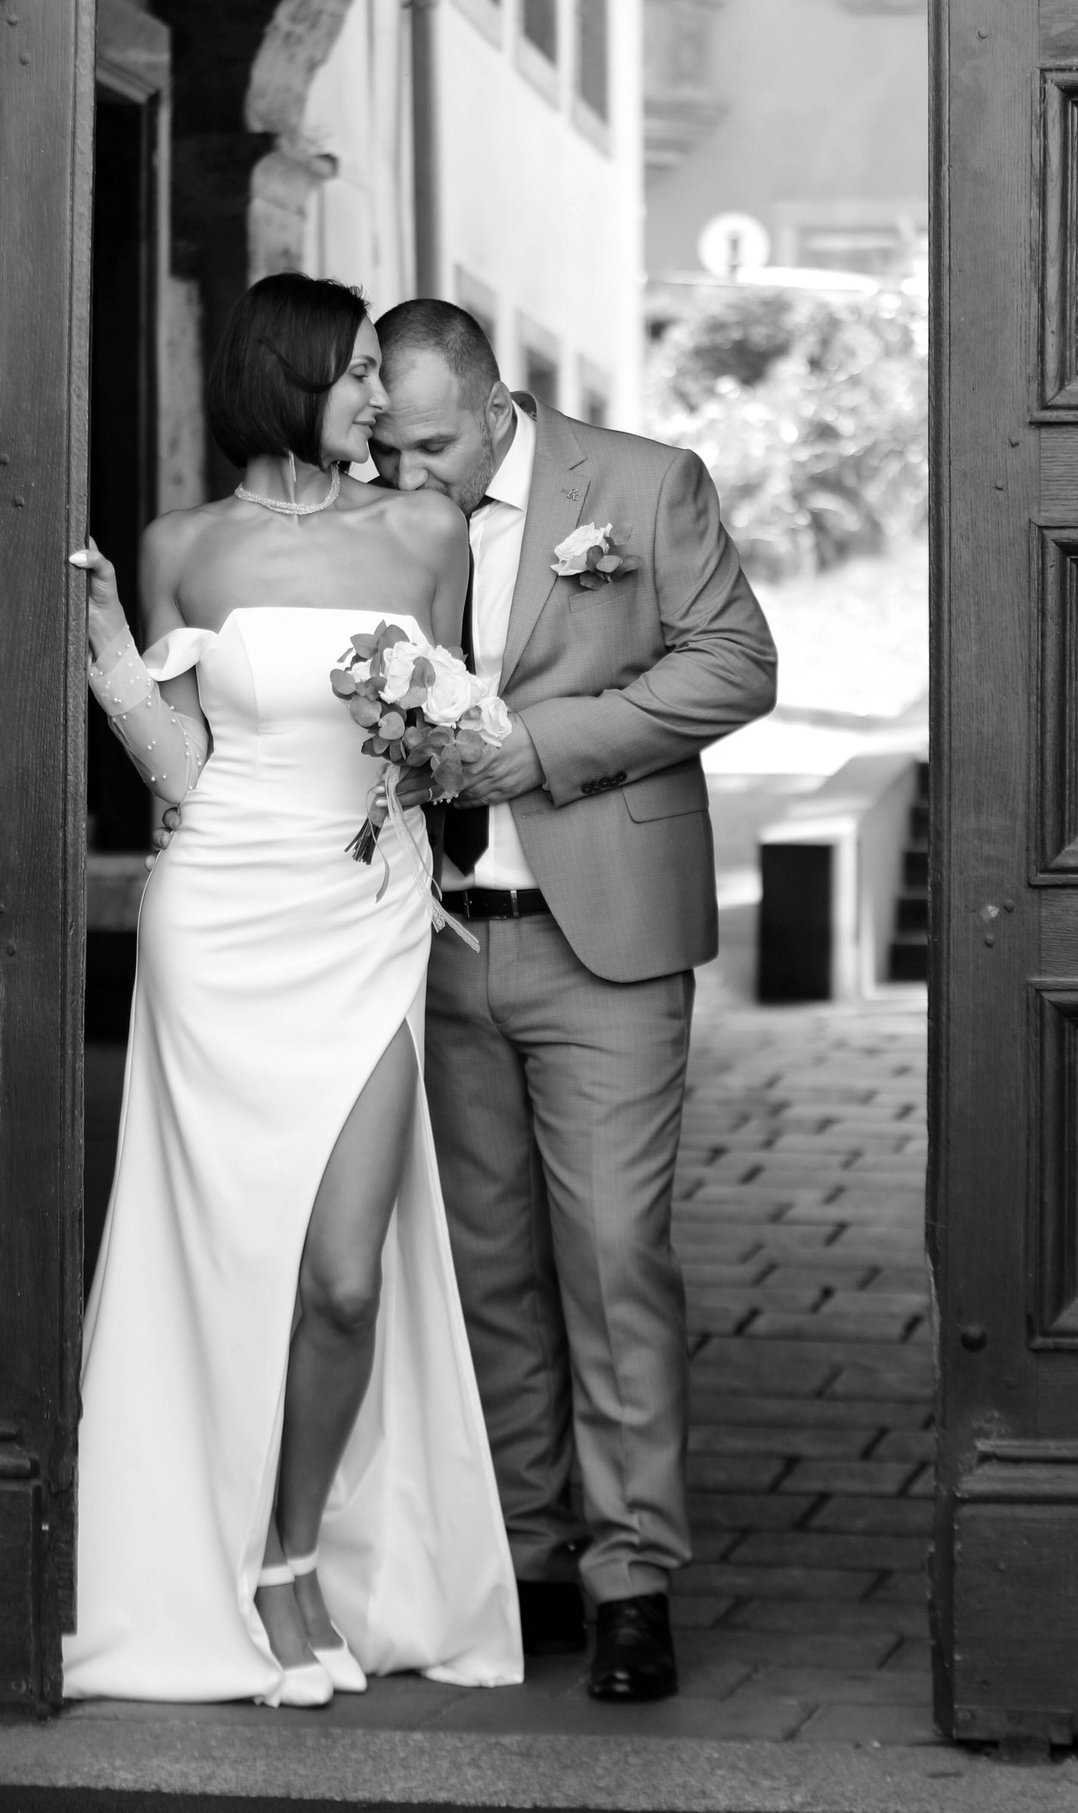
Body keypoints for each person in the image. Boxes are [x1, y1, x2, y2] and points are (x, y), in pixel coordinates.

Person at [64, 274, 521, 1707]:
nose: (381, 397)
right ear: (291, 374)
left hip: (365, 920)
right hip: (218, 921)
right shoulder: (181, 547)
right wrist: (109, 652)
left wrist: (444, 752)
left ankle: (293, 1548)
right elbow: (182, 767)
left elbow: (448, 741)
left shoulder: (424, 533)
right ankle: (241, 1573)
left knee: (343, 1277)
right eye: (361, 371)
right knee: (222, 1261)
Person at [370, 298, 777, 1704]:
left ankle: (630, 1578)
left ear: (497, 409)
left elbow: (736, 663)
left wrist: (542, 747)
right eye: (390, 446)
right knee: (485, 1267)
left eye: (433, 447)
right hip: (437, 941)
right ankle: (529, 1554)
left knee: (612, 1258)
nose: (409, 474)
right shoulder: (377, 514)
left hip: (602, 938)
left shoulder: (647, 486)